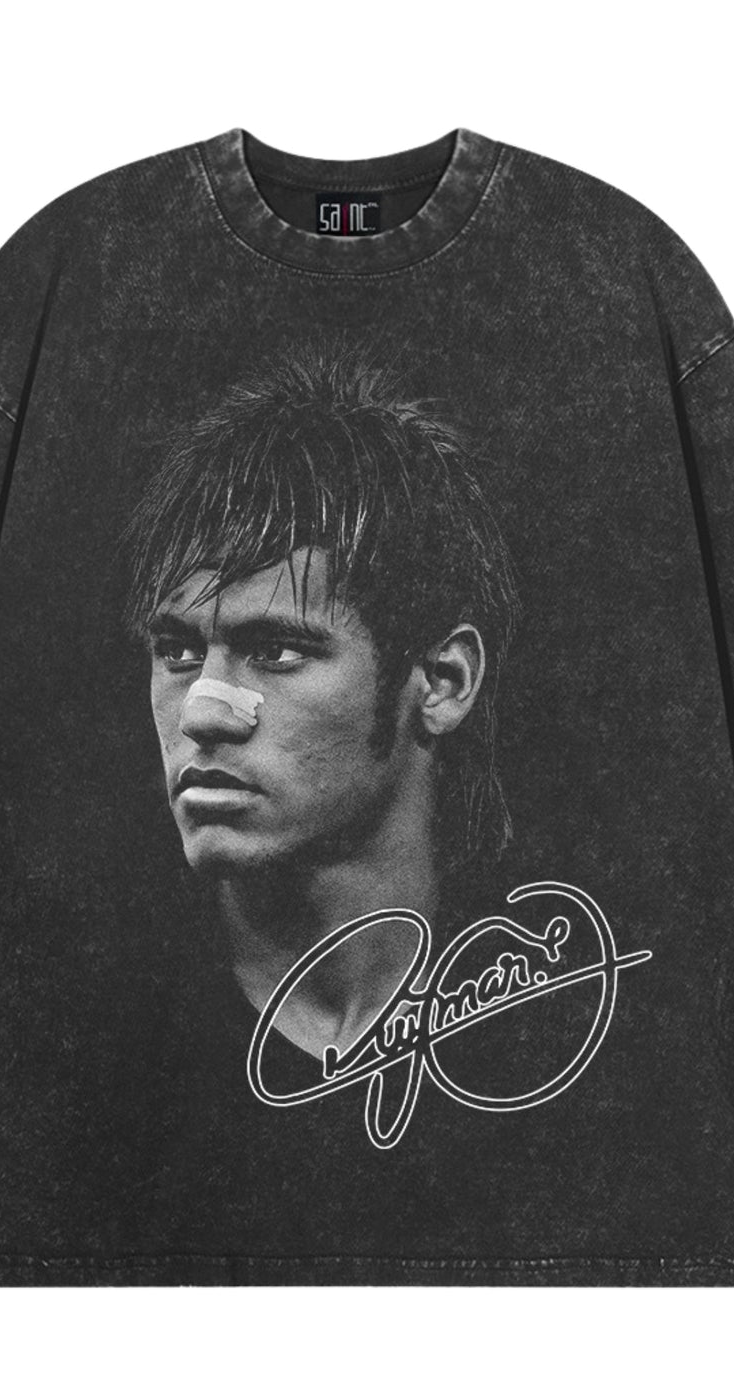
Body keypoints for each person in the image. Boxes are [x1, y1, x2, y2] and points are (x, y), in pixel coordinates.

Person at [116, 340, 520, 1065]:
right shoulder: (75, 1024)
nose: (201, 713)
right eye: (177, 652)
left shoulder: (573, 1010)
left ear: (443, 682)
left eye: (275, 651)